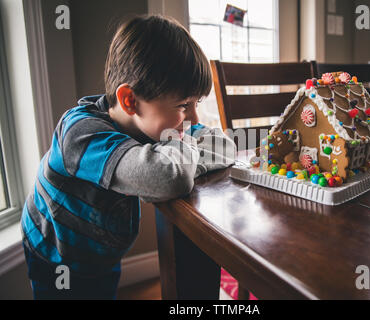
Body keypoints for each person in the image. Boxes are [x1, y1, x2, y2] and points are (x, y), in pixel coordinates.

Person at [21, 14, 236, 300]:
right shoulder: (80, 135)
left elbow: (225, 146)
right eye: (184, 105)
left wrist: (178, 156)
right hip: (57, 259)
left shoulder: (157, 122)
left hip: (101, 250)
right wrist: (176, 157)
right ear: (130, 101)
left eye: (196, 103)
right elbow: (167, 178)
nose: (194, 117)